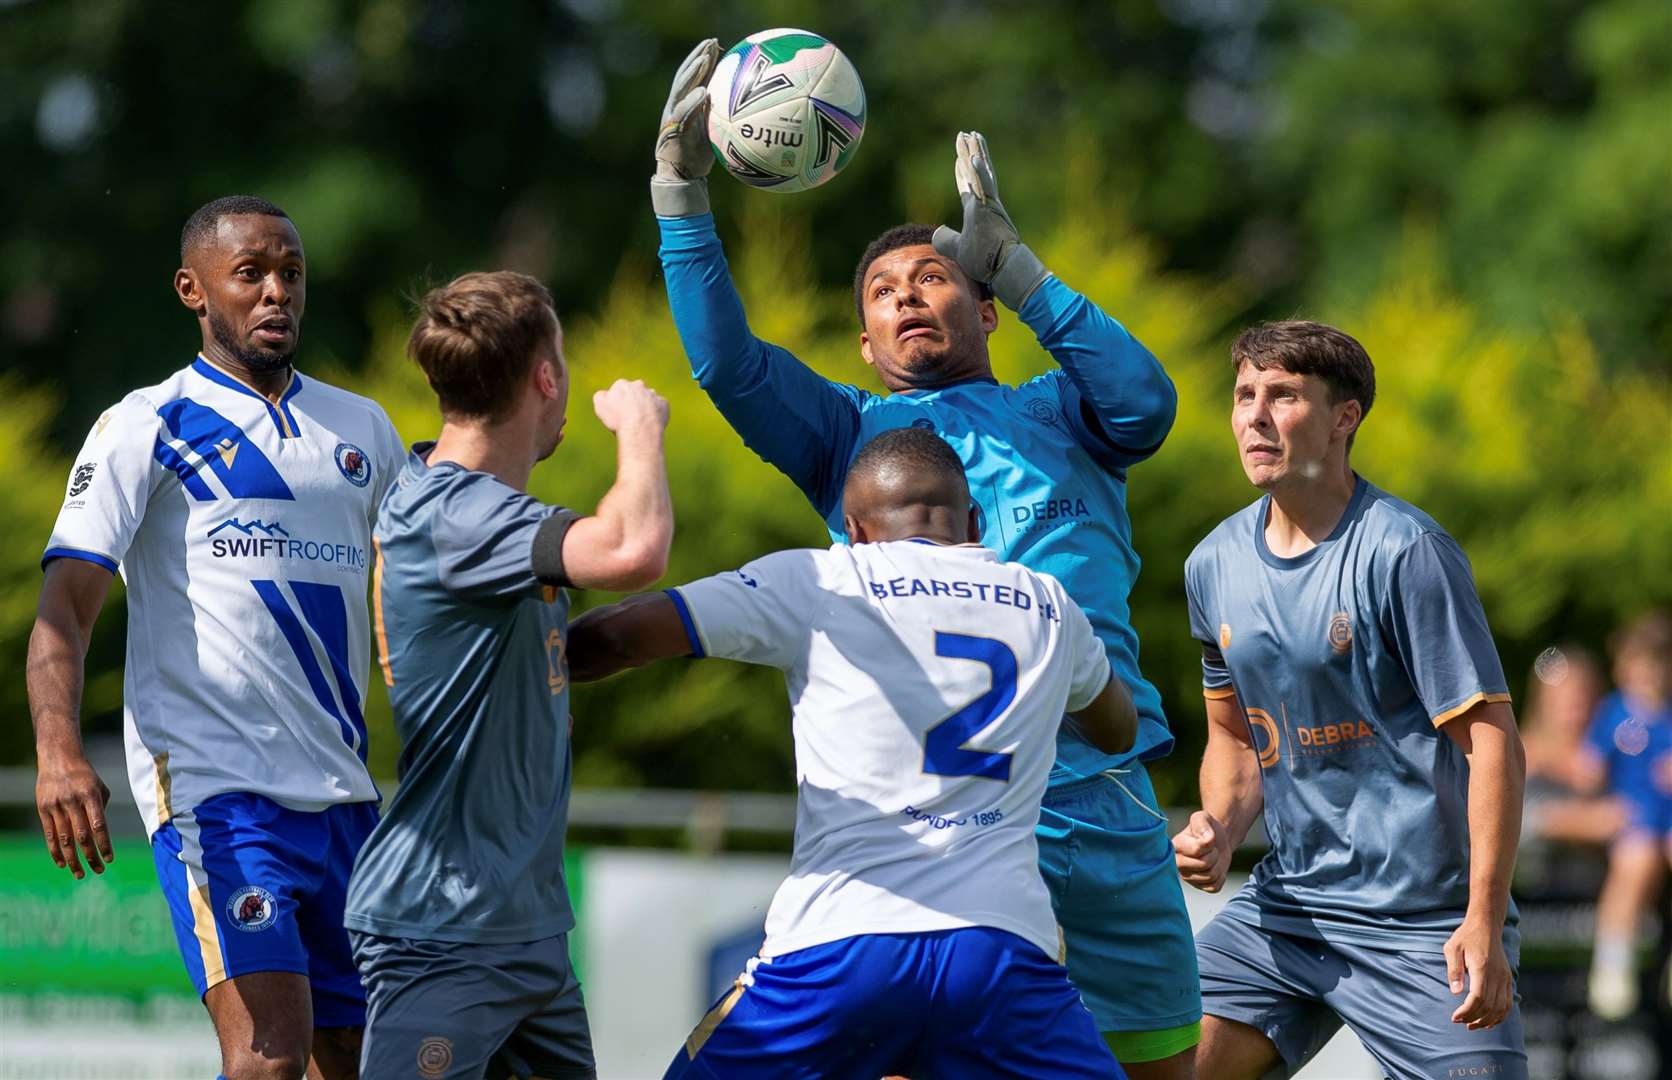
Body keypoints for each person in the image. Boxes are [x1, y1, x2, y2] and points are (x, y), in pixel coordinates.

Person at [651, 41, 1197, 1076]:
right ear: (861, 343)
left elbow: (1147, 402)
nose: (906, 295)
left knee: (1164, 1068)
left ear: (983, 307)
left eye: (936, 277)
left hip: (1106, 804)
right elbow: (725, 362)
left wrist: (1026, 271)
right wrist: (680, 196)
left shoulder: (1063, 413)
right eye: (882, 290)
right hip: (943, 832)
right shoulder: (844, 439)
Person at [566, 427, 1135, 1079]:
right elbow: (1116, 728)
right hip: (1000, 950)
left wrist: (526, 662)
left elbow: (620, 638)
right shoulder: (1049, 604)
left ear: (855, 530)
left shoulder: (823, 578)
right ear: (974, 522)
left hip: (839, 947)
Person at [28, 196, 405, 1079]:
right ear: (193, 291)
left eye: (292, 274)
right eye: (252, 275)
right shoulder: (147, 424)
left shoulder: (364, 430)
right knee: (266, 1054)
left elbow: (431, 568)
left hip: (345, 797)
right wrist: (56, 752)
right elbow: (66, 607)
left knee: (351, 1055)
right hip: (216, 794)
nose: (277, 292)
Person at [1170, 320, 1529, 1078]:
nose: (1254, 416)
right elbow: (1236, 741)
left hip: (1422, 924)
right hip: (1287, 915)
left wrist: (1484, 922)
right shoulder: (1212, 565)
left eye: (1283, 396)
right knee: (1152, 1061)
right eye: (1243, 396)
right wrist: (1222, 828)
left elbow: (1492, 740)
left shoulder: (1406, 551)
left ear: (1344, 418)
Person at [341, 270, 673, 1080]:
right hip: (441, 931)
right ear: (547, 378)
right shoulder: (454, 514)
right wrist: (640, 426)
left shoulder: (479, 515)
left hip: (525, 932)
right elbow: (633, 549)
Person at [1581, 611, 1672, 1019]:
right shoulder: (1613, 713)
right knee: (1635, 861)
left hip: (1667, 820)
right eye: (1639, 665)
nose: (1647, 676)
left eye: (1657, 666)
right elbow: (1589, 768)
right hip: (1633, 822)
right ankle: (1613, 958)